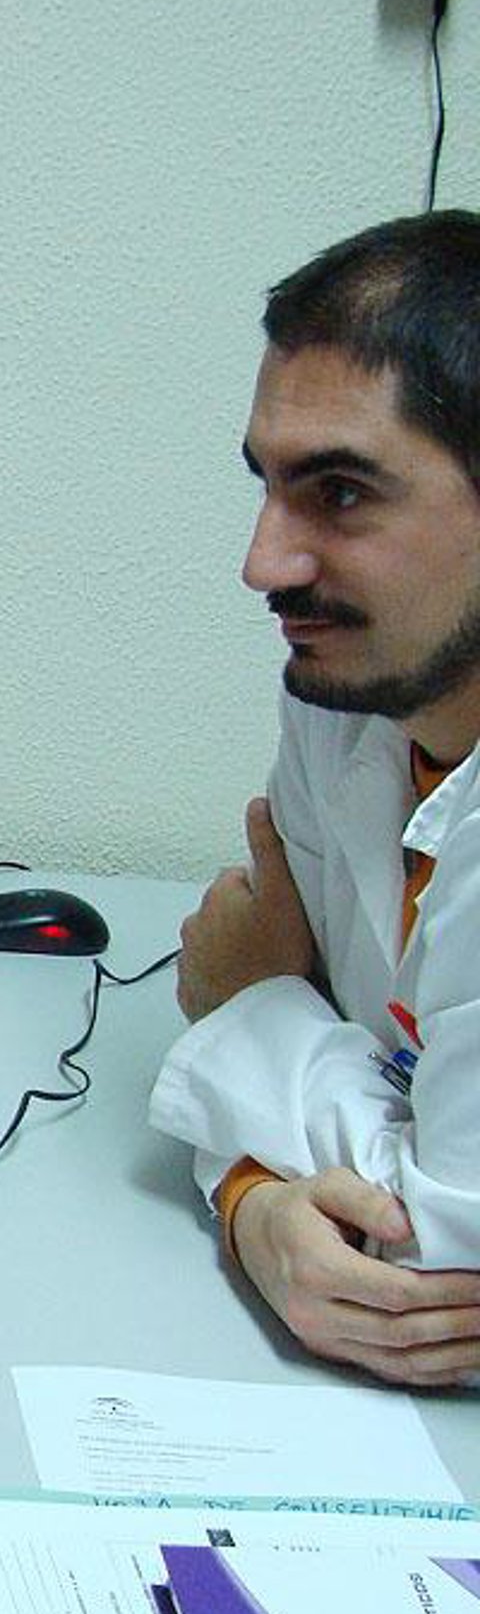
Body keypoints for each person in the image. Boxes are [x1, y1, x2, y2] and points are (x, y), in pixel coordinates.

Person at [150, 210, 480, 1390]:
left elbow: (426, 1269)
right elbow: (366, 1130)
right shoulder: (353, 695)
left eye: (338, 494)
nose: (266, 564)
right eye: (271, 487)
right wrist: (252, 1198)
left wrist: (249, 1002)